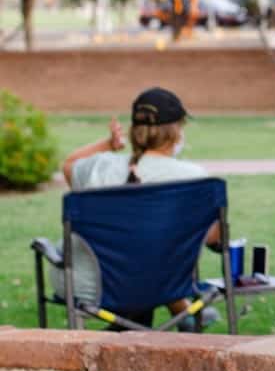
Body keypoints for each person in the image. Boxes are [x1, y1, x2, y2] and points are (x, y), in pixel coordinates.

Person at [55, 87, 217, 331]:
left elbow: (68, 165)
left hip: (83, 285)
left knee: (133, 255)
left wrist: (108, 144)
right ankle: (183, 316)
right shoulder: (194, 179)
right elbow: (214, 238)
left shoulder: (99, 166)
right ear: (175, 132)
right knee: (148, 255)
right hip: (155, 282)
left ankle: (134, 331)